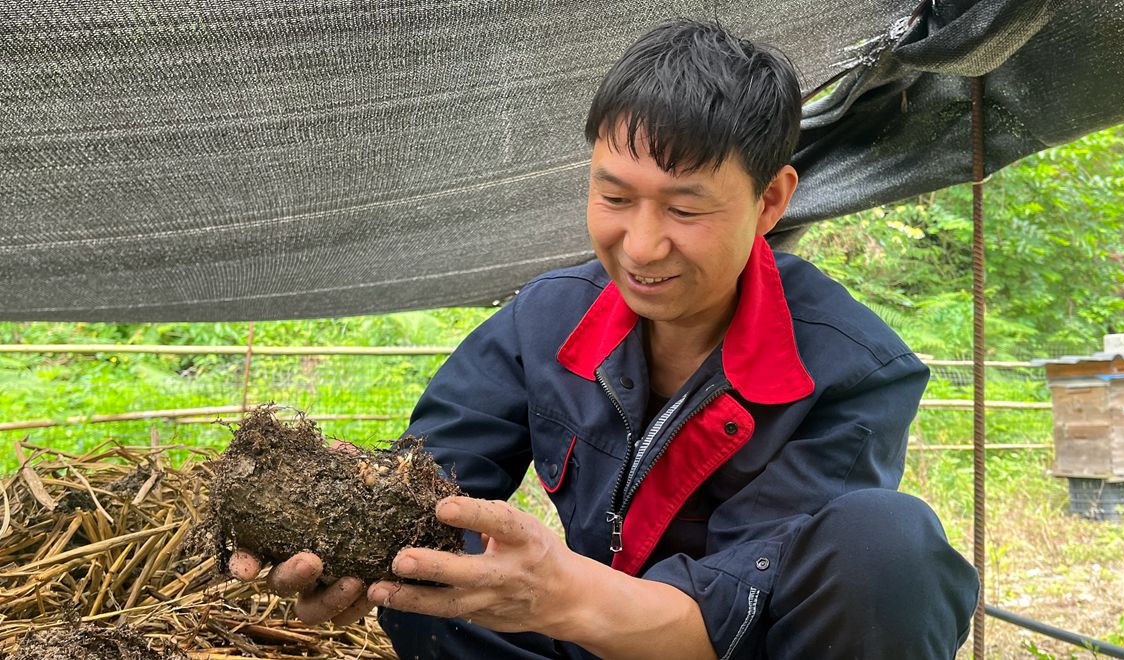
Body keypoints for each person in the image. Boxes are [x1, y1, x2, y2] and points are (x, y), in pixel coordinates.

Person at [231, 19, 979, 659]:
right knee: (429, 569)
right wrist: (335, 525)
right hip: (581, 638)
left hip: (732, 646)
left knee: (889, 546)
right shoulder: (547, 317)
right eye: (615, 197)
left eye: (686, 210)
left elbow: (740, 608)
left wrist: (561, 594)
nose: (642, 245)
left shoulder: (853, 367)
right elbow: (428, 482)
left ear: (771, 200)